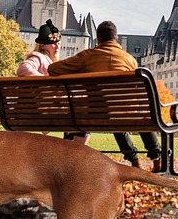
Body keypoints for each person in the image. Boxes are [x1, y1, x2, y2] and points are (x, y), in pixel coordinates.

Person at [47, 20, 162, 169]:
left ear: (98, 40)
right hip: (126, 114)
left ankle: (134, 159)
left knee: (111, 114)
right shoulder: (130, 60)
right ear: (117, 39)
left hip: (95, 114)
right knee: (128, 116)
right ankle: (156, 157)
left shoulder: (87, 56)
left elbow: (53, 69)